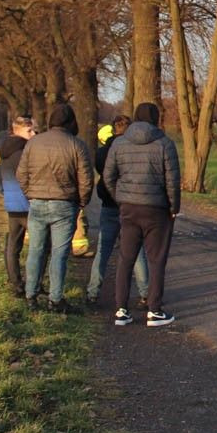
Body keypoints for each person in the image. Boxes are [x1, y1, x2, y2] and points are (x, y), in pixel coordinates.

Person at [104, 102, 180, 327]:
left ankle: (121, 310)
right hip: (157, 209)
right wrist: (173, 208)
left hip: (128, 207)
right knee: (156, 260)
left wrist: (120, 197)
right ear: (156, 118)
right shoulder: (165, 143)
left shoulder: (119, 143)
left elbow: (108, 176)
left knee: (125, 258)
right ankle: (154, 310)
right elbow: (172, 181)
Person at [16, 102, 94, 313]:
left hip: (37, 203)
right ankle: (55, 299)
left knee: (35, 250)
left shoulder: (34, 143)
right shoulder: (77, 145)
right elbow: (86, 180)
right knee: (60, 254)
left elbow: (21, 174)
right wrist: (81, 202)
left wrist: (30, 194)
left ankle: (31, 296)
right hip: (65, 204)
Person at [86, 115, 150, 308]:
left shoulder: (103, 152)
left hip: (109, 205)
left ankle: (92, 292)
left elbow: (101, 172)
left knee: (103, 251)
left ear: (113, 129)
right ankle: (145, 294)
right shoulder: (137, 150)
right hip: (131, 206)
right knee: (137, 251)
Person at [0, 115, 36, 295]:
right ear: (19, 131)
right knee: (40, 245)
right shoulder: (24, 152)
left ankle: (16, 284)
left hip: (12, 205)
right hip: (28, 205)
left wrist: (9, 196)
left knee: (13, 246)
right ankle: (33, 284)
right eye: (30, 131)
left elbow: (0, 182)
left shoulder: (4, 152)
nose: (33, 134)